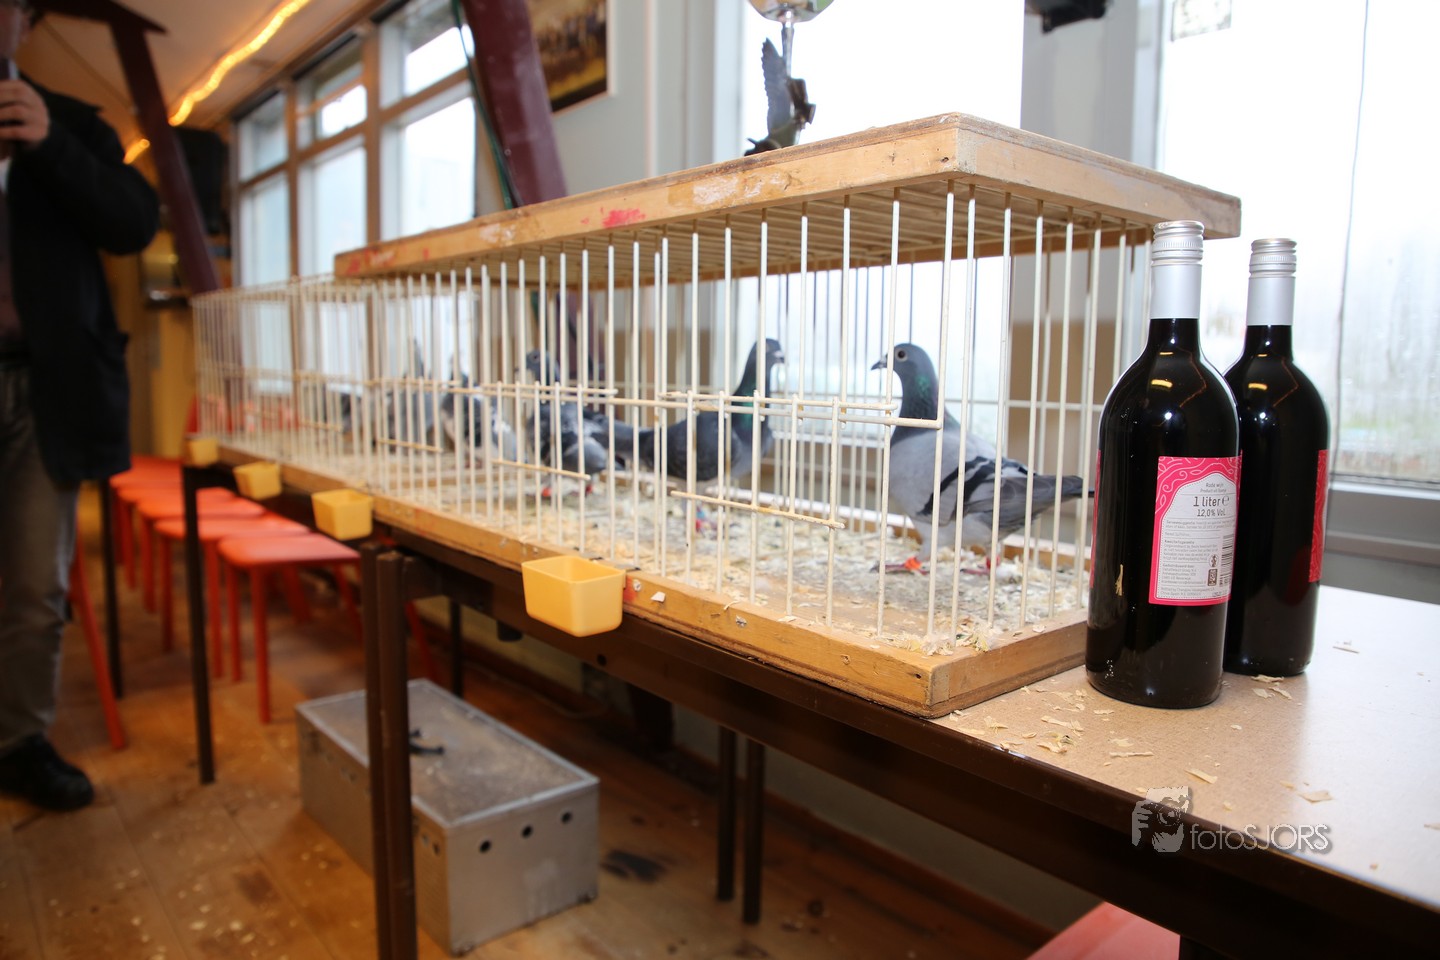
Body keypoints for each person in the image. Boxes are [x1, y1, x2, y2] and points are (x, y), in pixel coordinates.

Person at [0, 0, 159, 811]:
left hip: (47, 386)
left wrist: (49, 145)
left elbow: (134, 223)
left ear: (24, 20)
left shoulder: (69, 122)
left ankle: (18, 743)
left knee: (35, 585)